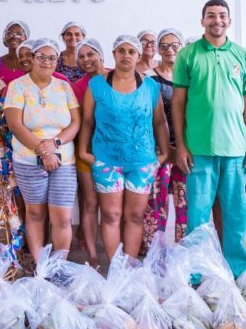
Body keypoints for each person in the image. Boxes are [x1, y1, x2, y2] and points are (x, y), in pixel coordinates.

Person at [172, 0, 246, 277]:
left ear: (229, 21)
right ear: (202, 21)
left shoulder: (243, 56)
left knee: (236, 215)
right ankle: (196, 273)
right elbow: (178, 103)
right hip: (199, 148)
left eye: (222, 15)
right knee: (197, 216)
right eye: (211, 15)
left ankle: (237, 270)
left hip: (235, 148)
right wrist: (181, 145)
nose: (217, 20)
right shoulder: (187, 55)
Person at [79, 35, 169, 260]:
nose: (126, 55)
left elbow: (159, 121)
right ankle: (116, 269)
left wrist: (164, 153)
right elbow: (87, 121)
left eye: (131, 51)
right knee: (111, 215)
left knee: (135, 216)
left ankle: (129, 268)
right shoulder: (97, 85)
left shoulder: (150, 86)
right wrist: (83, 152)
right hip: (106, 160)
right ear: (114, 54)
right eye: (121, 51)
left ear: (138, 55)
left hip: (142, 162)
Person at [4, 38, 81, 261]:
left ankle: (58, 266)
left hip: (64, 161)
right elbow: (15, 125)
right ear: (32, 58)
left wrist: (55, 144)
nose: (47, 62)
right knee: (36, 213)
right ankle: (41, 267)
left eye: (52, 58)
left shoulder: (63, 86)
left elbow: (75, 122)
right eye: (41, 57)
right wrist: (44, 151)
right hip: (28, 160)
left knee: (63, 218)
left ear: (57, 61)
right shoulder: (17, 86)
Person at [143, 27, 188, 248]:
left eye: (174, 45)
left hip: (186, 149)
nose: (170, 50)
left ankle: (183, 249)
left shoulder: (190, 77)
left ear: (181, 48)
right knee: (156, 202)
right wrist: (164, 148)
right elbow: (147, 116)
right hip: (158, 150)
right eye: (164, 46)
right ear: (158, 50)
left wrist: (182, 146)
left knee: (185, 202)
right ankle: (154, 250)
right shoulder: (149, 79)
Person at [71, 38, 108, 267]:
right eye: (81, 56)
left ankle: (118, 250)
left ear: (101, 55)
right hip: (87, 150)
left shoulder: (117, 77)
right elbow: (81, 122)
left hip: (114, 151)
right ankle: (93, 255)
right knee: (91, 203)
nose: (86, 60)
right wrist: (84, 151)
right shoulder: (77, 87)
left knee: (113, 206)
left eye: (90, 54)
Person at [0, 20, 31, 86]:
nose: (14, 36)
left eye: (19, 34)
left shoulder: (31, 62)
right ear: (4, 37)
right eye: (10, 33)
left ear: (26, 39)